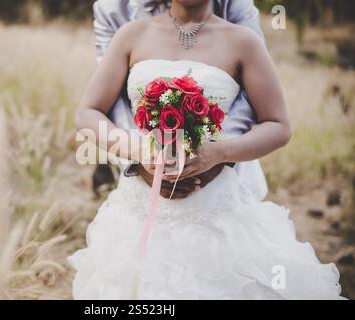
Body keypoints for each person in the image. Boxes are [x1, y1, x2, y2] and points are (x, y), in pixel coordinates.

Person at [68, 0, 344, 299]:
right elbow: (88, 112)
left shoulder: (243, 40)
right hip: (139, 202)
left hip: (213, 202)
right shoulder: (131, 35)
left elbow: (277, 125)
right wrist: (138, 151)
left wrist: (217, 154)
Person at [92, 0, 268, 200]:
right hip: (143, 166)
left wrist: (214, 154)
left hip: (223, 173)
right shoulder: (113, 12)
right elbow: (110, 100)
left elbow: (252, 96)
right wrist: (142, 156)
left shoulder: (238, 19)